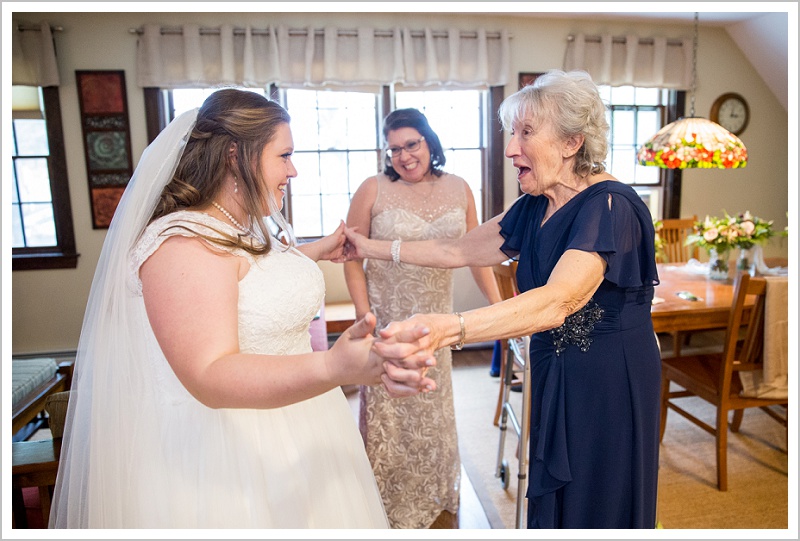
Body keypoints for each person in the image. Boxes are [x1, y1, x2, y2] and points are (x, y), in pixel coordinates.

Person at [49, 88, 436, 529]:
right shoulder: (182, 244)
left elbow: (248, 280)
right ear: (237, 155)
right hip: (228, 453)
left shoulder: (236, 225)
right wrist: (332, 367)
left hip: (301, 424)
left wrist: (313, 251)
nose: (293, 170)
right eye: (284, 155)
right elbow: (209, 373)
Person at [344, 70, 662, 529]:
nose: (511, 148)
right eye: (511, 133)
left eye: (526, 133)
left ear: (572, 142)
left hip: (609, 380)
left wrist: (451, 327)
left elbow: (558, 302)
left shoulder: (609, 207)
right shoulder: (536, 204)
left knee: (600, 500)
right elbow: (456, 248)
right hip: (556, 365)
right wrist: (367, 246)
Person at [344, 108, 502, 529]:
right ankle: (383, 500)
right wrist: (364, 317)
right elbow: (352, 256)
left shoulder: (460, 188)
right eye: (394, 148)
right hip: (388, 322)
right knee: (391, 414)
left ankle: (435, 490)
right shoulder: (372, 189)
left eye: (411, 144)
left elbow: (476, 254)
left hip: (437, 325)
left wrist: (500, 307)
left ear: (429, 141)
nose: (403, 155)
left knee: (432, 407)